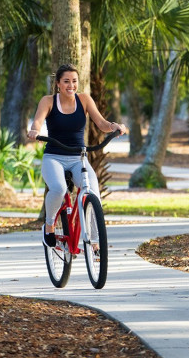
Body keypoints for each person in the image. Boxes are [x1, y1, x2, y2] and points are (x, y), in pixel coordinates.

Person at [27, 64, 128, 247]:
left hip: (78, 158)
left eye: (74, 81)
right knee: (58, 189)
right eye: (66, 81)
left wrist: (114, 127)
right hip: (54, 157)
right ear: (58, 83)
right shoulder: (48, 101)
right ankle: (49, 225)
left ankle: (96, 242)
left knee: (93, 193)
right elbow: (37, 121)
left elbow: (102, 123)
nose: (71, 85)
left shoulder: (84, 100)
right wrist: (35, 131)